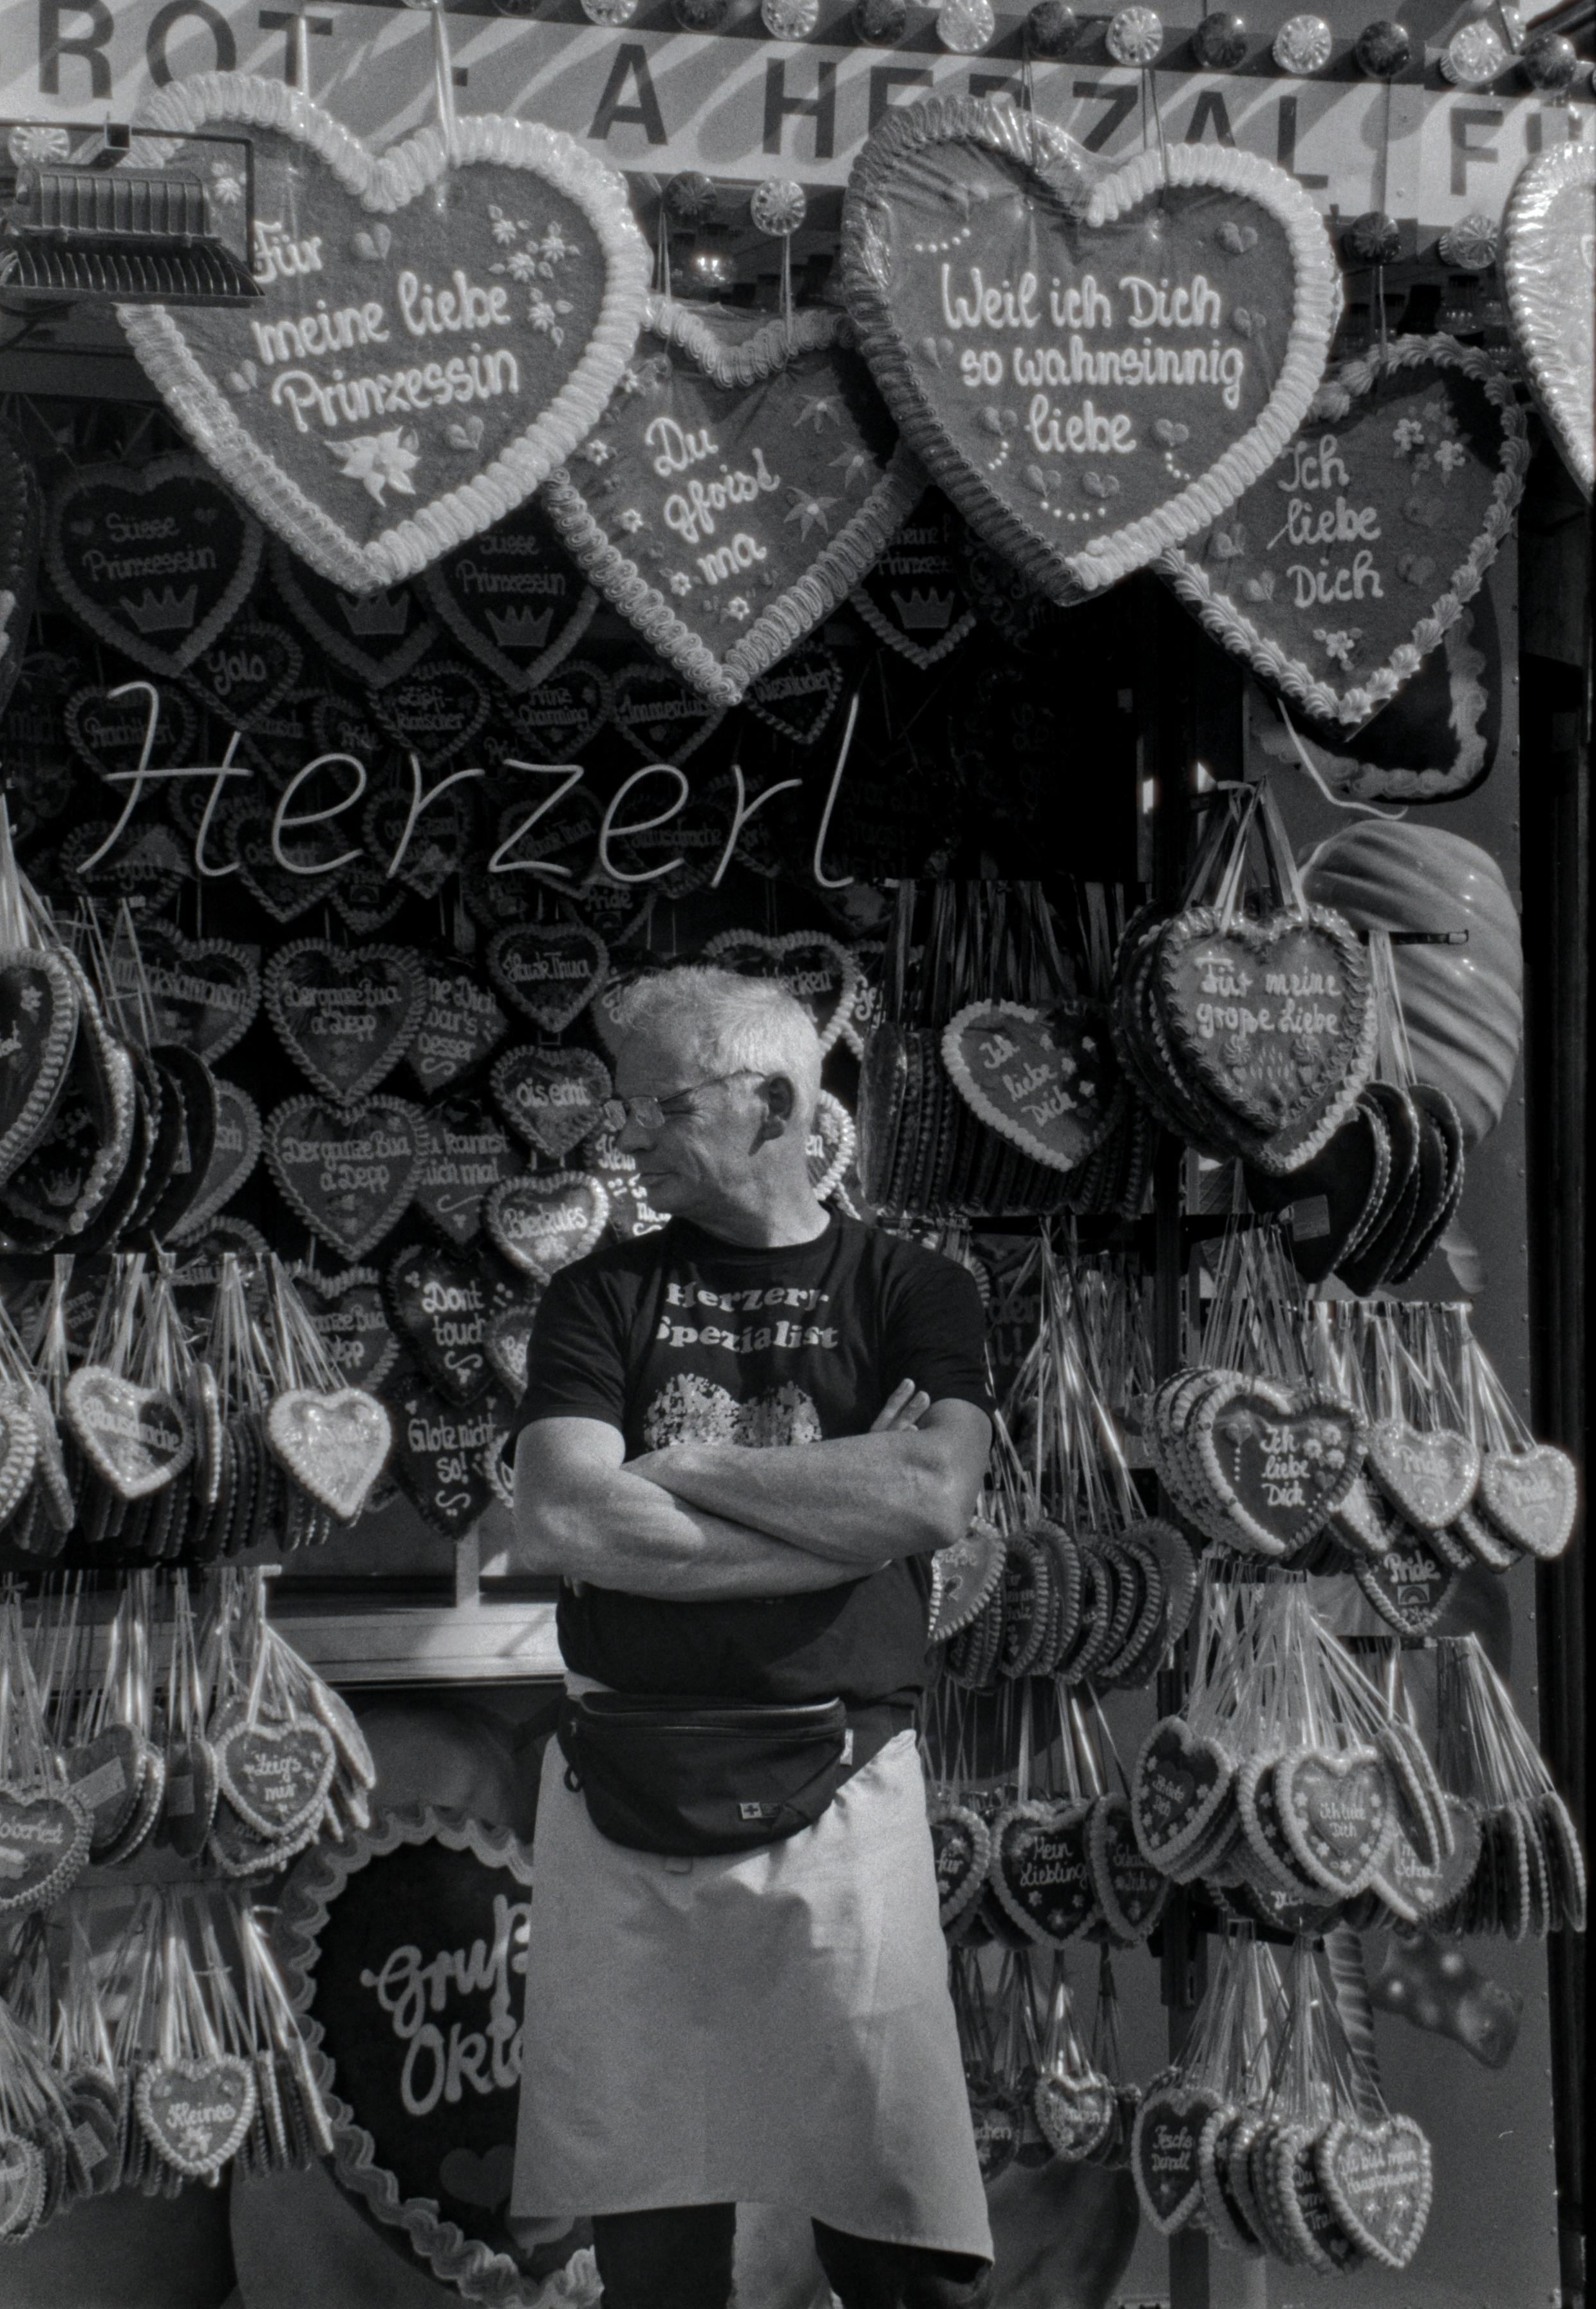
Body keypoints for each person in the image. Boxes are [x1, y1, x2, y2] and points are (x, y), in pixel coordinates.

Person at [509, 964, 996, 2309]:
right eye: (624, 1110)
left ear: (775, 1102)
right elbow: (564, 1516)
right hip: (621, 1790)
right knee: (650, 2235)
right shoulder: (594, 1295)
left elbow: (929, 1494)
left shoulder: (915, 1286)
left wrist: (665, 1466)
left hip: (847, 1784)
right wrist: (830, 1512)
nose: (627, 1137)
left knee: (896, 2215)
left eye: (659, 1106)